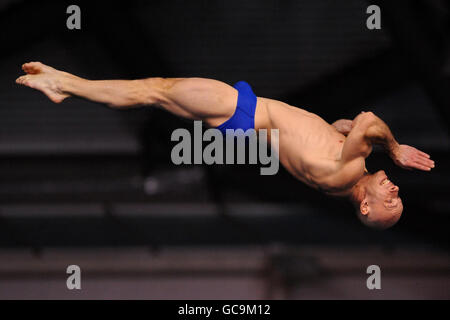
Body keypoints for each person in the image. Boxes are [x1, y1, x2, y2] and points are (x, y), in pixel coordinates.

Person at [15, 61, 435, 229]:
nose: (395, 190)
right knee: (155, 91)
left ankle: (64, 85)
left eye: (390, 201)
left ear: (365, 206)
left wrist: (394, 147)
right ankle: (65, 84)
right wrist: (331, 129)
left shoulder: (348, 169)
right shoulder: (344, 171)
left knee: (156, 91)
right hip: (249, 119)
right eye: (397, 197)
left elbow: (367, 120)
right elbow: (326, 134)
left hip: (245, 113)